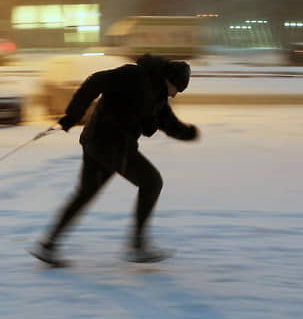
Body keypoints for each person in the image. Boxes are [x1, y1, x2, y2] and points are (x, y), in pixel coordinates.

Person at [31, 54, 200, 266]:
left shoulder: (158, 96)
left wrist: (188, 133)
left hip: (101, 144)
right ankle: (137, 246)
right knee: (152, 182)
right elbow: (95, 81)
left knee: (85, 194)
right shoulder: (134, 75)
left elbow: (168, 122)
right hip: (110, 144)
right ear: (169, 79)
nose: (175, 95)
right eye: (177, 89)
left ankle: (48, 245)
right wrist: (73, 116)